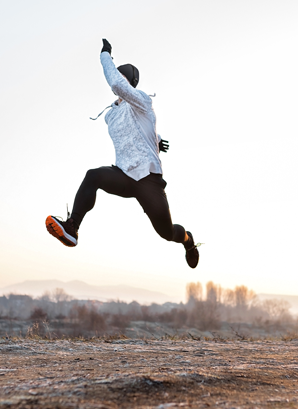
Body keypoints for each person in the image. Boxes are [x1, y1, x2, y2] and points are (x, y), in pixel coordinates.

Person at [45, 39, 200, 268]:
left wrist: (105, 56)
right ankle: (72, 228)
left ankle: (188, 240)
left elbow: (122, 91)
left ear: (131, 86)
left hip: (149, 182)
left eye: (123, 81)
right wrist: (155, 139)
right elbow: (135, 129)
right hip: (124, 176)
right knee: (93, 176)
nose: (119, 85)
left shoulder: (142, 100)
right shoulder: (112, 115)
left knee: (166, 232)